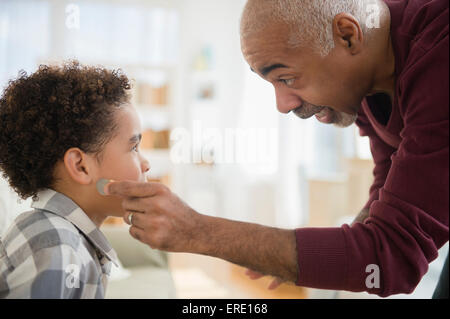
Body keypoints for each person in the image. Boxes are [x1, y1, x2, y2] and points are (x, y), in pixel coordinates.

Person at [104, 0, 448, 298]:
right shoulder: (369, 78)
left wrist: (198, 230)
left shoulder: (439, 57)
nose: (282, 105)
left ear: (347, 34)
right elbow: (386, 190)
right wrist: (292, 256)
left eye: (286, 78)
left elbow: (391, 257)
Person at [0, 61, 150, 298]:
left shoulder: (64, 236)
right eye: (134, 147)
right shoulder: (55, 244)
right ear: (81, 166)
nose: (146, 163)